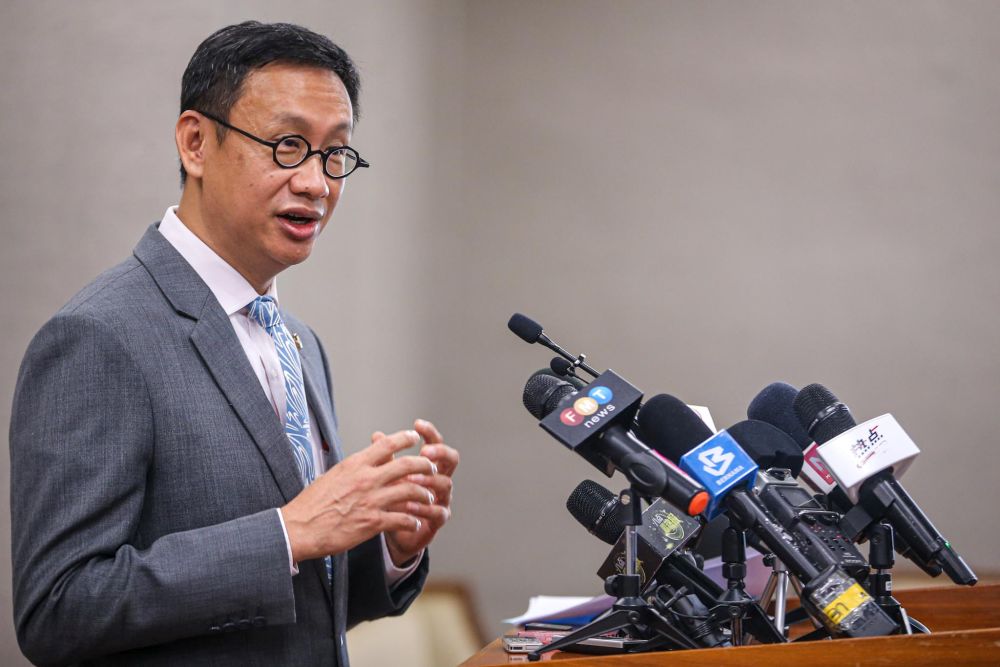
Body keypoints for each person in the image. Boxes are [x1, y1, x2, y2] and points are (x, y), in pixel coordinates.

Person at [9, 21, 458, 666]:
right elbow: (58, 609)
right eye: (287, 146)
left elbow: (303, 604)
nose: (317, 184)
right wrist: (289, 533)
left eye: (335, 154)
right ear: (195, 143)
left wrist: (389, 547)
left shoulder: (299, 341)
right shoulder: (98, 337)